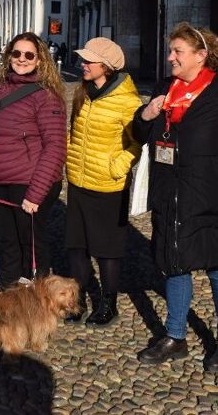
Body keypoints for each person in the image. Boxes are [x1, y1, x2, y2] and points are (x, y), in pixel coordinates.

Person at [133, 23, 218, 373]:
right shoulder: (167, 88)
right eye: (171, 50)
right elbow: (142, 134)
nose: (170, 57)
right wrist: (144, 115)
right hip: (171, 194)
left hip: (215, 195)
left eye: (177, 50)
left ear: (201, 55)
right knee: (174, 263)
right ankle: (175, 336)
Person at [0, 33, 67, 306]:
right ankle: (8, 291)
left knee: (31, 242)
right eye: (17, 53)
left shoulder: (47, 96)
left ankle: (37, 299)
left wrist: (36, 193)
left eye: (29, 55)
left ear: (40, 59)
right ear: (9, 56)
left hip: (29, 180)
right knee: (7, 241)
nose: (22, 59)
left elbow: (55, 147)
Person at [64, 37, 142, 326]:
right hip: (78, 180)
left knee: (107, 250)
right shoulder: (82, 93)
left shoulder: (128, 101)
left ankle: (108, 304)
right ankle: (77, 301)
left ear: (106, 67)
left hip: (109, 186)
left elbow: (137, 144)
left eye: (88, 61)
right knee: (76, 246)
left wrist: (117, 167)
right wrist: (70, 158)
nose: (82, 65)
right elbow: (73, 130)